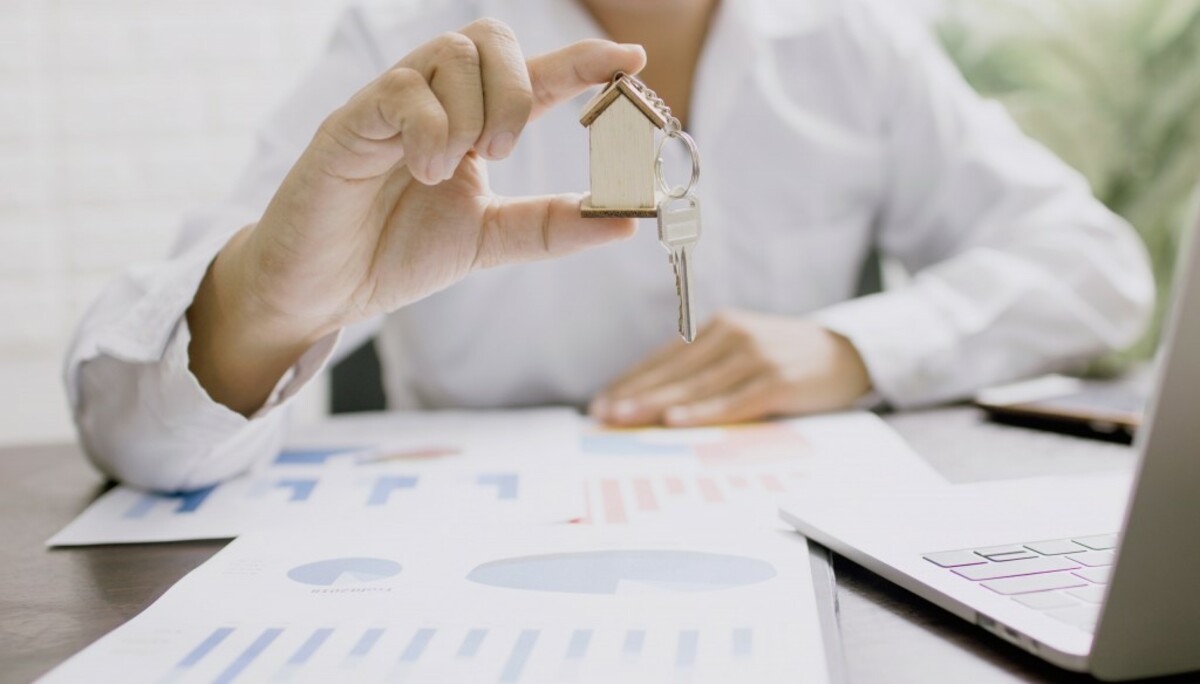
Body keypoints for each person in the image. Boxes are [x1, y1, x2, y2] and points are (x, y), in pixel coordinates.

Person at [65, 0, 1154, 492]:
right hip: (467, 561)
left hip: (791, 537)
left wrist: (855, 347)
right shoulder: (402, 32)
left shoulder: (852, 34)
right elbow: (139, 433)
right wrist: (271, 304)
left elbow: (1096, 267)